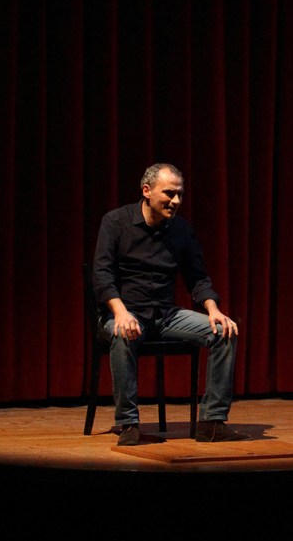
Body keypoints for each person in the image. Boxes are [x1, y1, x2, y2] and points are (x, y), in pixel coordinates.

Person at [92, 163, 249, 445]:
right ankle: (128, 423)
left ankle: (212, 422)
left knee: (224, 332)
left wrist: (213, 310)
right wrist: (120, 311)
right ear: (147, 191)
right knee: (122, 332)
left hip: (165, 315)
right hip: (124, 312)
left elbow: (197, 278)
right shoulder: (116, 222)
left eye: (179, 194)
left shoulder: (181, 230)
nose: (176, 201)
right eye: (169, 193)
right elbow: (102, 274)